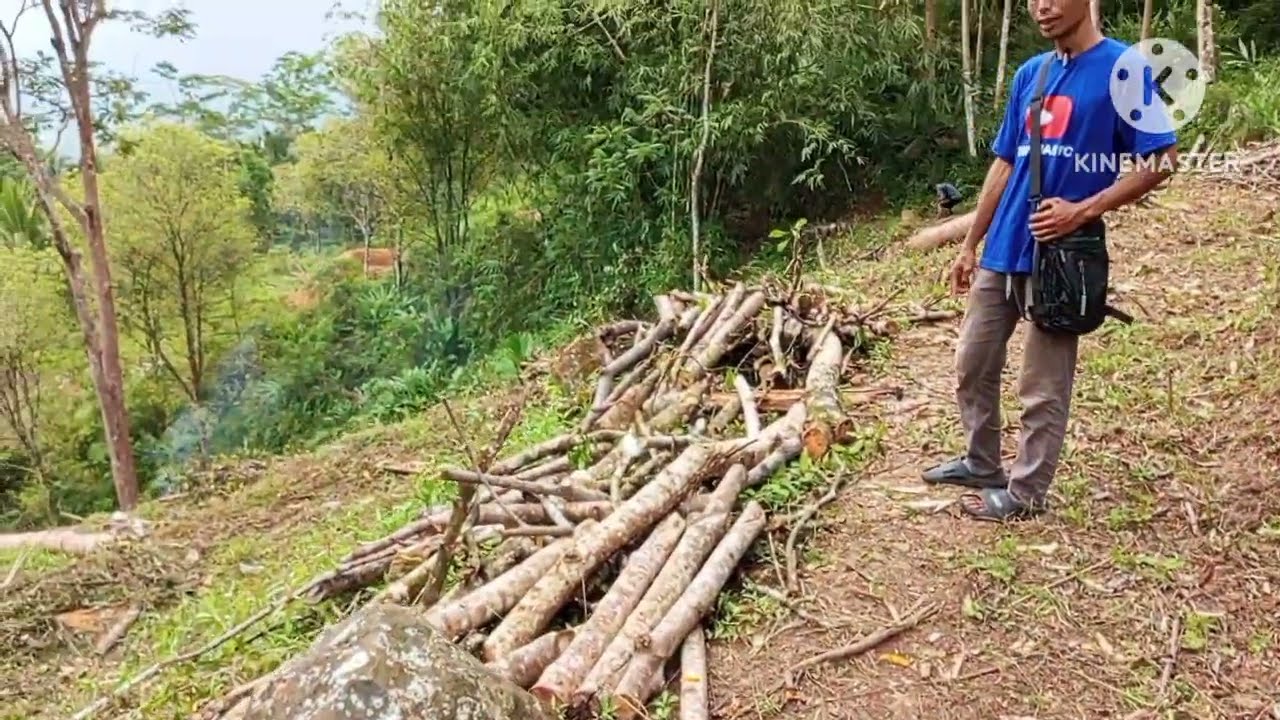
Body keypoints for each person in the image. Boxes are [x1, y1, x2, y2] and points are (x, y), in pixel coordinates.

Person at [921, 0, 1179, 520]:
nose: (1042, 7)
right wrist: (970, 243)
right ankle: (981, 462)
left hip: (1063, 255)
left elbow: (1162, 160)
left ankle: (1026, 493)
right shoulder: (1031, 74)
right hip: (1005, 246)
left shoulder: (1124, 69)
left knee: (1042, 383)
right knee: (972, 362)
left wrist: (1083, 210)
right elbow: (1004, 163)